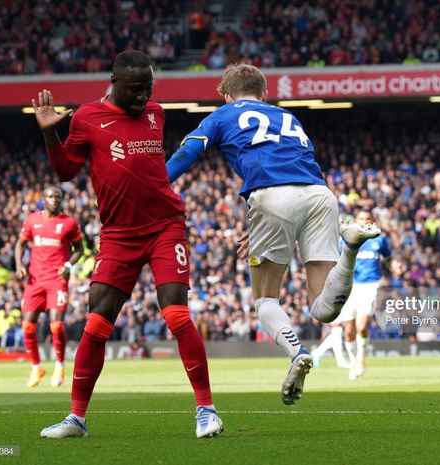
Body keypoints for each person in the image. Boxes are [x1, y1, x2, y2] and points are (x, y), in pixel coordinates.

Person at [31, 50, 223, 439]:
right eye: (135, 90)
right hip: (119, 234)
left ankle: (206, 410)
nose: (142, 98)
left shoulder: (157, 112)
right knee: (97, 323)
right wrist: (51, 132)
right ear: (116, 84)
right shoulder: (86, 117)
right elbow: (66, 171)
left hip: (166, 227)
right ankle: (77, 419)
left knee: (176, 315)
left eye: (148, 89)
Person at [166, 63, 381, 405]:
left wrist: (156, 185)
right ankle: (351, 247)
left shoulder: (222, 115)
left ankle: (297, 354)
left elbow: (187, 152)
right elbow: (301, 165)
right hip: (319, 195)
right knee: (324, 310)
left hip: (271, 196)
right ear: (265, 93)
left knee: (266, 299)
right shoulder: (287, 117)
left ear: (225, 96)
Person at [15, 185, 84, 388]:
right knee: (27, 326)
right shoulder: (32, 220)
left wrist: (68, 265)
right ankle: (37, 367)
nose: (54, 200)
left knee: (55, 325)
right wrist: (19, 265)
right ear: (42, 200)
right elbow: (20, 243)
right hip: (35, 280)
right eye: (50, 197)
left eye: (58, 197)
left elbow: (79, 248)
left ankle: (60, 364)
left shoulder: (69, 223)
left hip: (57, 280)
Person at [340, 210, 392, 380]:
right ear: (356, 221)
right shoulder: (347, 239)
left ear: (371, 221)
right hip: (350, 286)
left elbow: (388, 258)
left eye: (367, 219)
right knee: (348, 330)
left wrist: (394, 267)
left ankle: (361, 358)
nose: (364, 221)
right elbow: (338, 259)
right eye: (361, 219)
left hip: (370, 285)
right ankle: (353, 361)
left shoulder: (379, 239)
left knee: (361, 326)